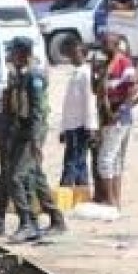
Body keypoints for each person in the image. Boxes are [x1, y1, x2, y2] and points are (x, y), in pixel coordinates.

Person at [0, 37, 63, 241]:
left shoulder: (34, 76)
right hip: (21, 132)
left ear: (22, 53)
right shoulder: (21, 74)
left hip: (30, 134)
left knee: (15, 177)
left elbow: (38, 112)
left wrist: (36, 141)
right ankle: (56, 219)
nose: (10, 57)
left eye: (13, 52)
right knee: (35, 176)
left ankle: (27, 223)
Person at [93, 30, 138, 210]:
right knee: (115, 160)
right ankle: (116, 201)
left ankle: (110, 200)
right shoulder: (107, 64)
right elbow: (97, 91)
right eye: (102, 43)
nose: (103, 47)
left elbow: (137, 88)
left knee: (105, 160)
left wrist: (125, 108)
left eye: (107, 44)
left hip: (117, 118)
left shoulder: (123, 63)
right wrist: (94, 73)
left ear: (116, 45)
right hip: (108, 116)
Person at [56, 36, 98, 199]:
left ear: (83, 54)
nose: (72, 57)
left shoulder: (86, 75)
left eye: (75, 54)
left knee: (72, 162)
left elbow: (89, 103)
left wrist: (91, 127)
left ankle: (64, 195)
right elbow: (69, 106)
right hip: (72, 125)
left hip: (80, 126)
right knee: (79, 162)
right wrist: (63, 129)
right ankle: (82, 195)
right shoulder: (76, 74)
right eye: (70, 54)